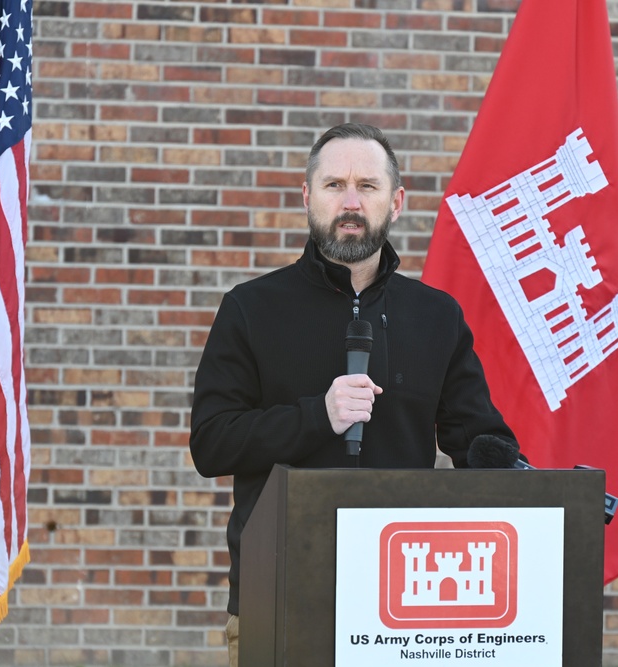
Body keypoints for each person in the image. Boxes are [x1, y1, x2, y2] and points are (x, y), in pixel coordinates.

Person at [188, 123, 518, 666]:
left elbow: (481, 442)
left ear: (396, 201)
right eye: (334, 185)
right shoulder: (250, 309)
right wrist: (317, 415)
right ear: (306, 197)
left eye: (367, 186)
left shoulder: (436, 317)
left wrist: (529, 489)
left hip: (405, 614)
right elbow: (212, 443)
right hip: (280, 598)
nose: (350, 202)